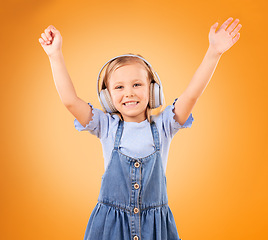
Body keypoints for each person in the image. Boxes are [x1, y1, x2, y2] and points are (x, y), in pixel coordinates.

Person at [39, 17, 242, 240]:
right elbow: (70, 101)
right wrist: (54, 55)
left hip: (155, 228)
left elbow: (192, 94)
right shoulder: (106, 126)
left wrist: (214, 52)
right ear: (107, 97)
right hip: (110, 228)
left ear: (152, 90)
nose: (129, 93)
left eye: (137, 84)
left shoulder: (164, 125)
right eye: (119, 87)